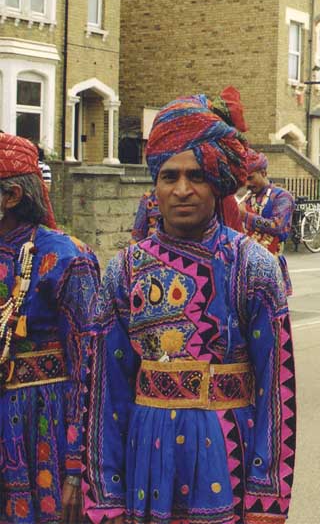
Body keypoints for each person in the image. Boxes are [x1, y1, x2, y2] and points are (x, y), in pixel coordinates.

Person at [83, 88, 297, 524]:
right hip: (146, 456)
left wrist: (267, 496)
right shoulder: (123, 271)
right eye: (170, 176)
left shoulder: (253, 265)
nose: (182, 189)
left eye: (196, 176)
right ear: (155, 186)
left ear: (217, 183)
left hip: (228, 453)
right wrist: (106, 493)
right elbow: (106, 388)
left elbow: (276, 387)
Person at [0, 133, 101, 523]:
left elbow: (88, 369)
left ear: (11, 196)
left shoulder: (65, 257)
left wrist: (76, 469)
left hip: (42, 428)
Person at [240, 150, 295, 296]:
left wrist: (245, 215)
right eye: (245, 179)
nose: (247, 184)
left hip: (271, 262)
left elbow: (277, 226)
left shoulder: (282, 197)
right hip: (247, 265)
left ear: (263, 173)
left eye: (251, 178)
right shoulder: (247, 199)